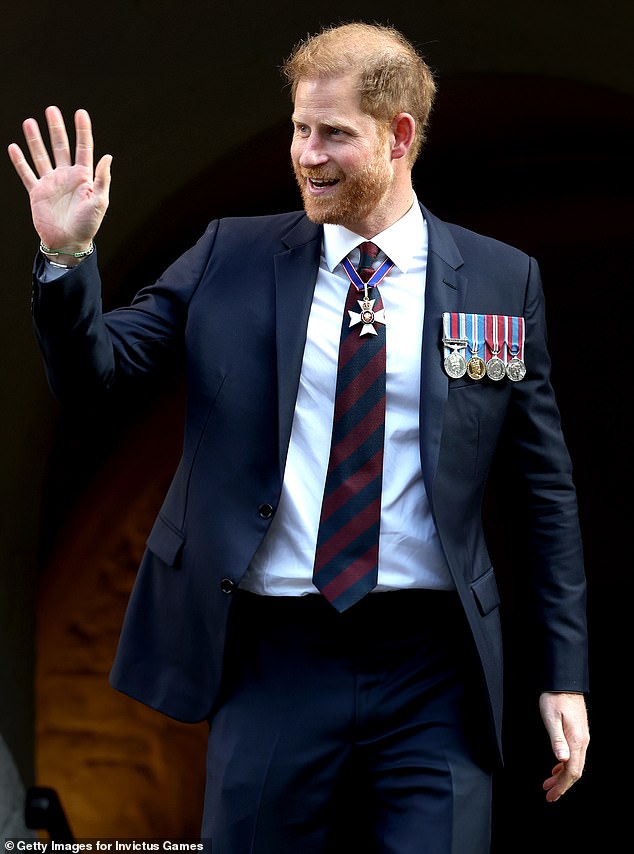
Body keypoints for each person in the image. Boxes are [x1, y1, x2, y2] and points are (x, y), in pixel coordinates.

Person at [8, 21, 589, 854]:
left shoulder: (500, 279)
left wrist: (564, 676)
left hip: (435, 666)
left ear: (399, 138)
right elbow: (97, 377)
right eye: (297, 128)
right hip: (275, 655)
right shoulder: (229, 255)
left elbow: (545, 493)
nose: (306, 154)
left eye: (333, 135)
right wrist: (67, 261)